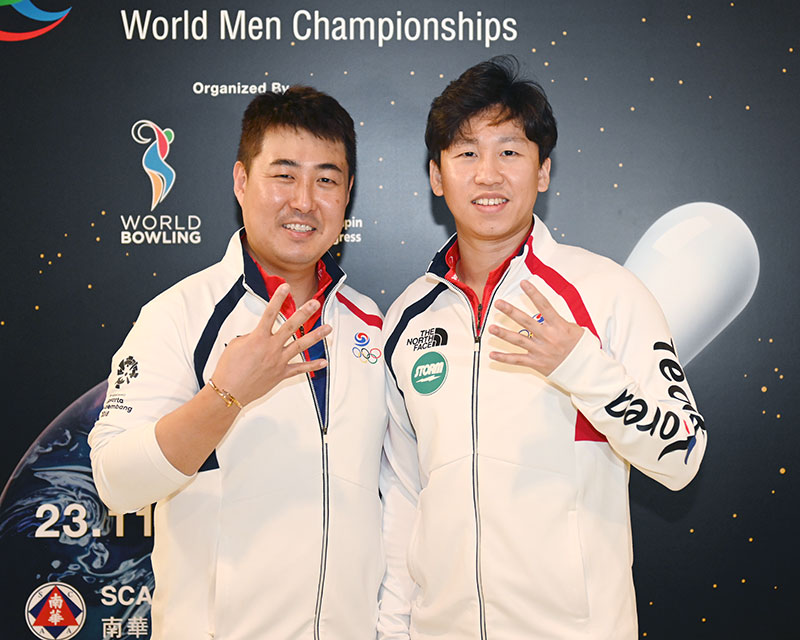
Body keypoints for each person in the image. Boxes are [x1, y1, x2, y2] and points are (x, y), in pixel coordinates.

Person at [378, 56, 707, 639]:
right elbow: (406, 495)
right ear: (436, 176)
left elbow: (682, 454)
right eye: (466, 153)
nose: (488, 174)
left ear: (543, 171)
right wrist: (393, 628)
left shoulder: (607, 293)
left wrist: (580, 365)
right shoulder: (408, 317)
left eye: (509, 151)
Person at [89, 86, 387, 640]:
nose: (304, 201)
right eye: (283, 175)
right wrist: (223, 397)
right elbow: (114, 482)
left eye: (326, 180)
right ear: (241, 181)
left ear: (347, 194)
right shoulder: (181, 313)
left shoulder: (369, 320)